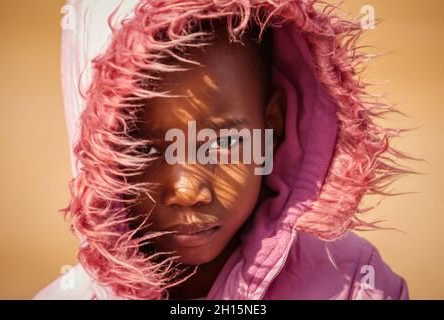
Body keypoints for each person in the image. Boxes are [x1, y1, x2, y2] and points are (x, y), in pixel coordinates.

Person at [35, 0, 409, 300]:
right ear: (98, 148)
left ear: (273, 126)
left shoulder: (355, 284)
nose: (187, 191)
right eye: (146, 150)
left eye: (224, 142)